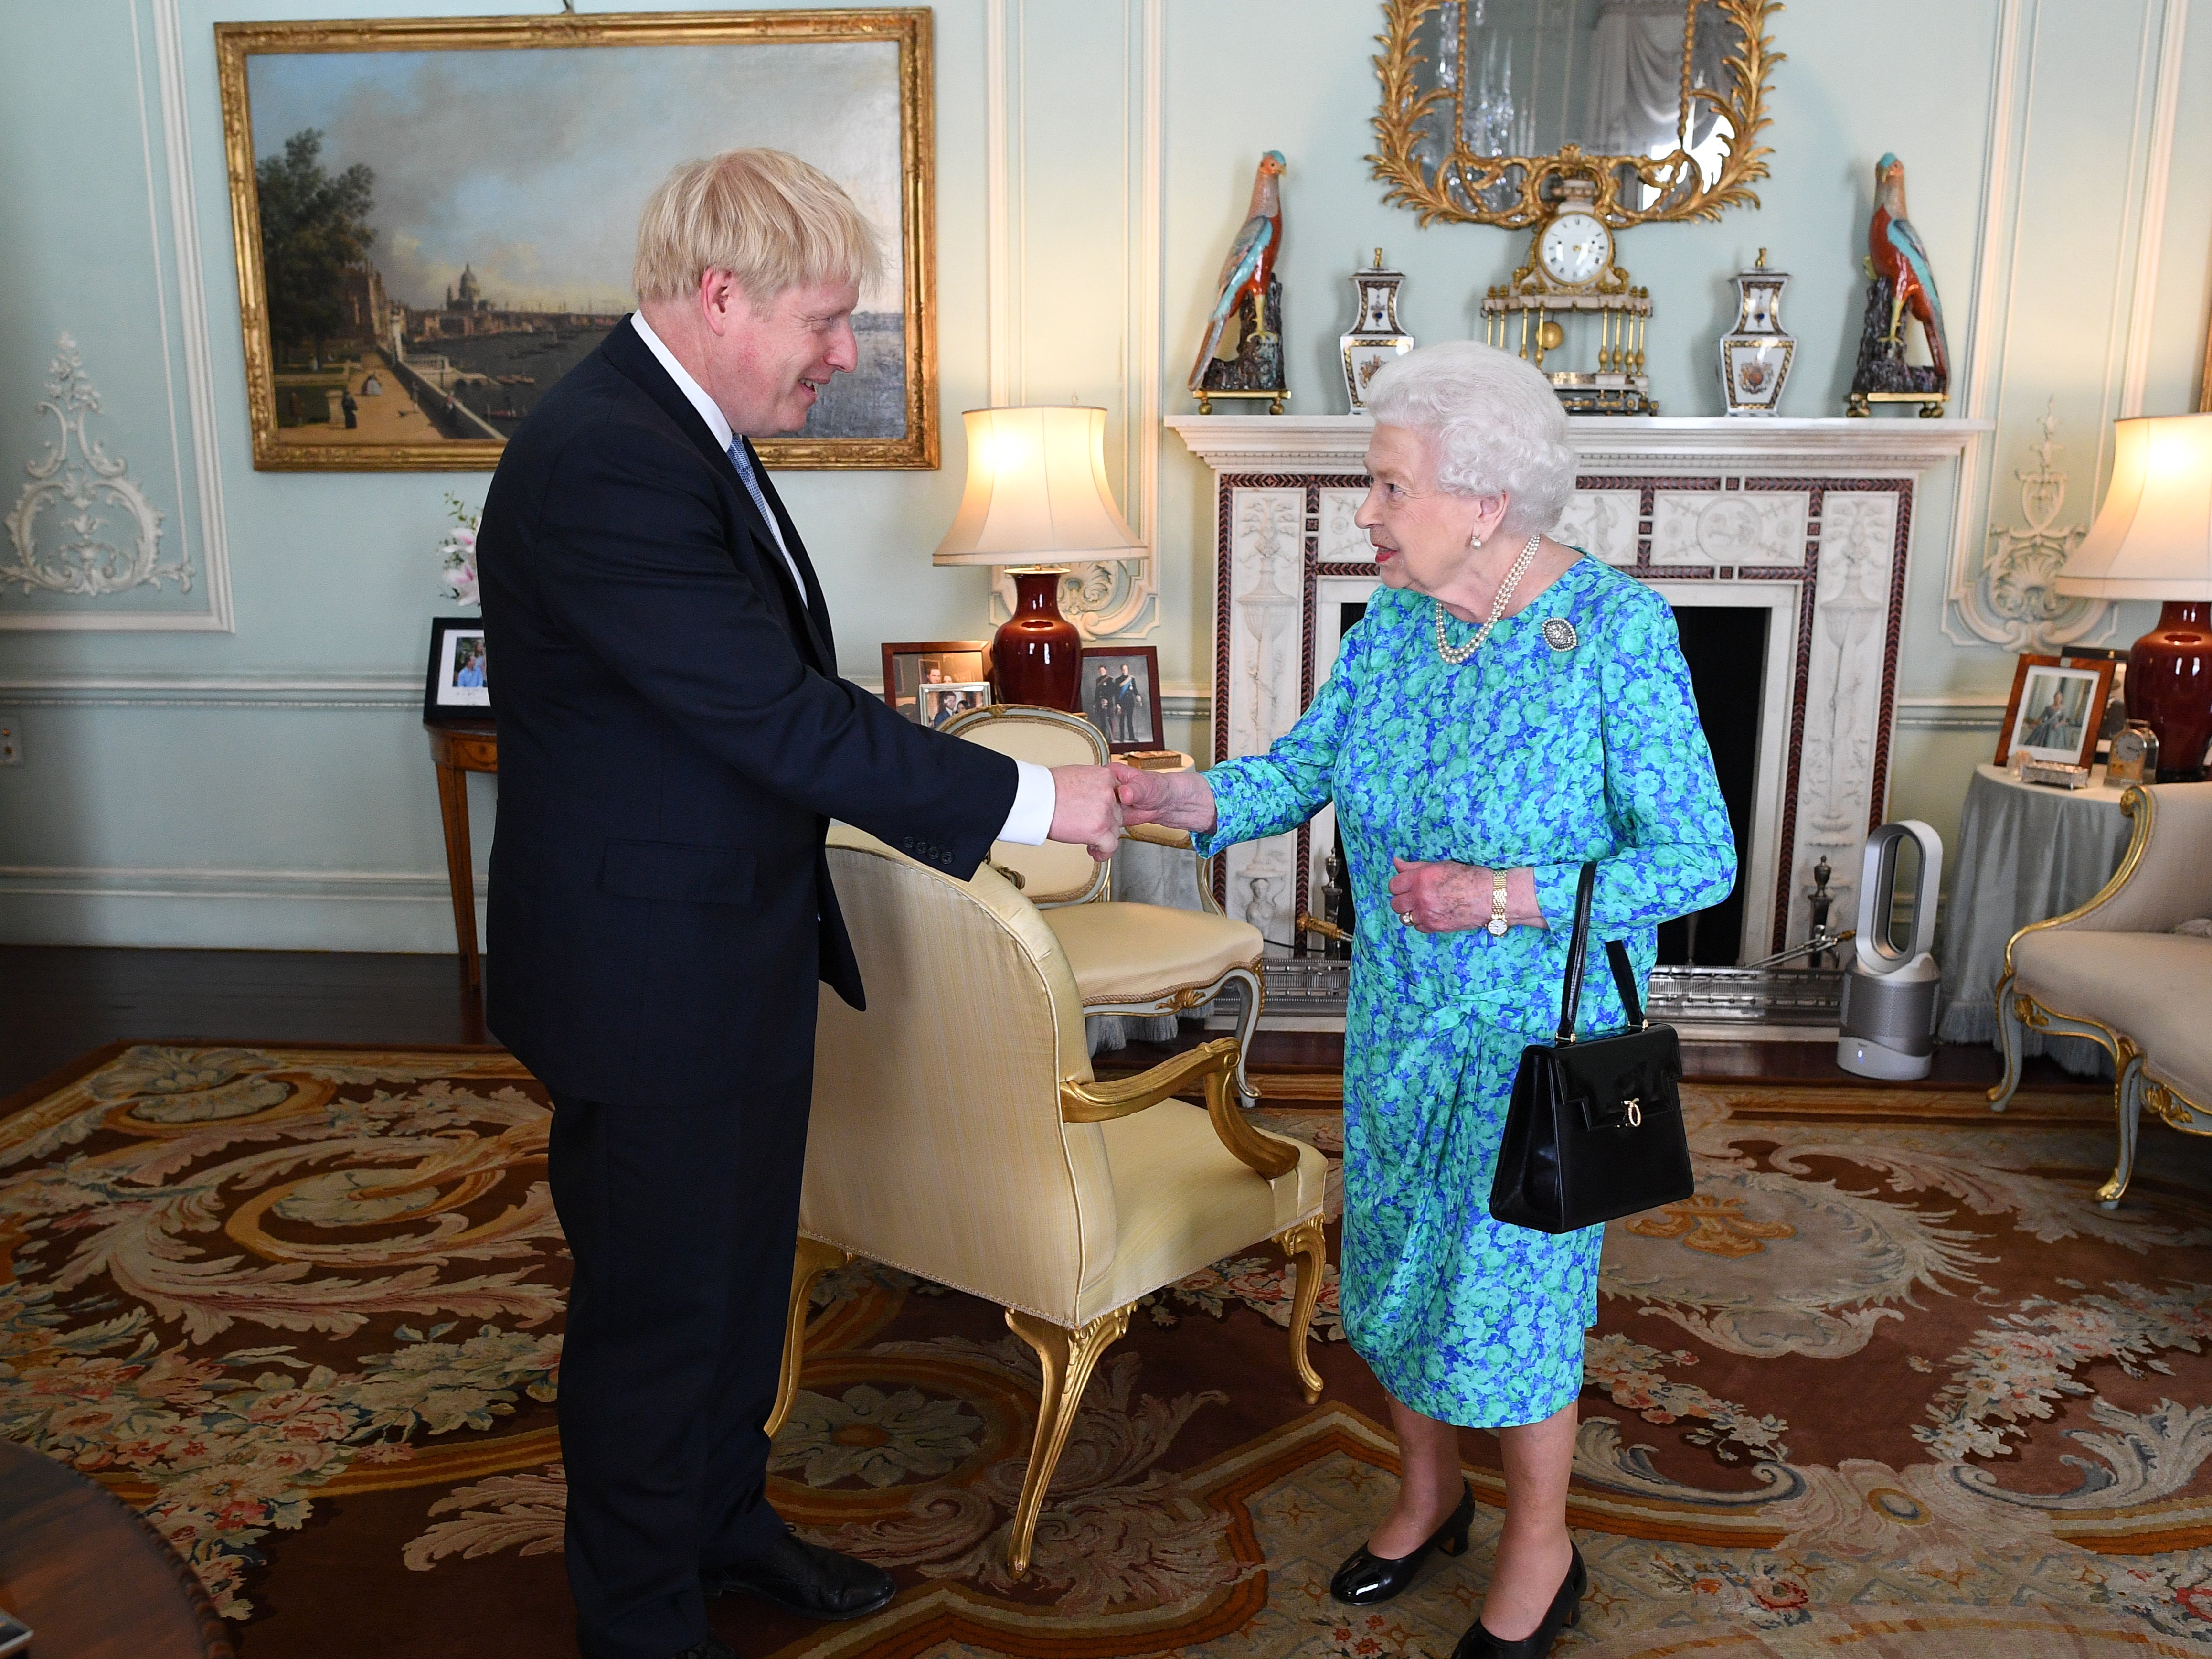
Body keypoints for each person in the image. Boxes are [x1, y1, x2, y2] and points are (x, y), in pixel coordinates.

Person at [476, 148, 1124, 1659]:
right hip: (647, 976)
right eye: (829, 322)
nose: (847, 355)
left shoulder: (682, 427)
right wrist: (1035, 797)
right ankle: (640, 1618)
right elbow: (775, 713)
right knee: (658, 1316)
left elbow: (765, 702)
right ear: (720, 297)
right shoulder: (607, 458)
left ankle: (722, 1523)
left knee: (738, 1272)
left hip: (723, 944)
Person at [1115, 340, 1735, 1659]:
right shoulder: (1397, 624)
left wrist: (1499, 891)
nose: (1368, 513)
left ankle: (1539, 1544)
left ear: (1485, 502)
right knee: (1394, 1261)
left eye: (1389, 486)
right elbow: (1306, 767)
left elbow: (1699, 858)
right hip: (1397, 1024)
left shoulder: (1615, 633)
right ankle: (1428, 1491)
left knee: (1510, 1289)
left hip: (1535, 1040)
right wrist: (1198, 801)